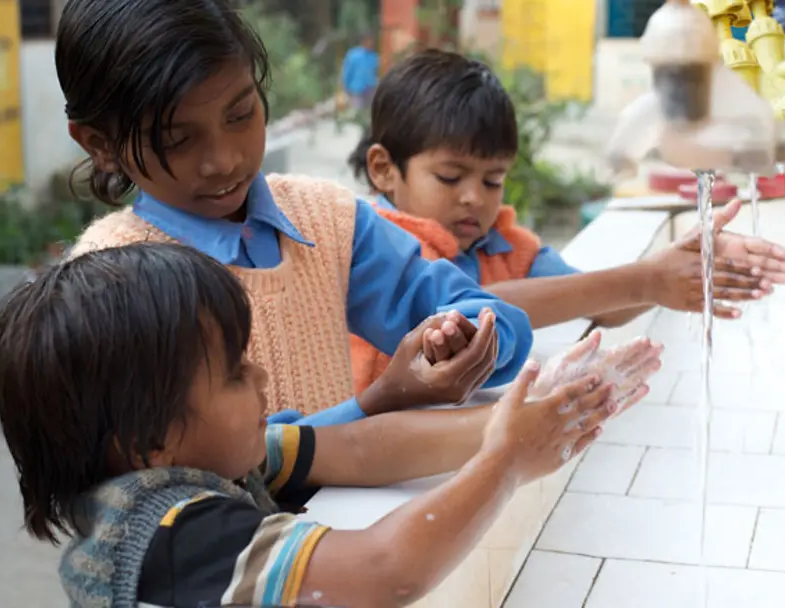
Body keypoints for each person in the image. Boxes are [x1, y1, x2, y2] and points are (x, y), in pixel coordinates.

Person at [0, 242, 661, 607]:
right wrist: (506, 463)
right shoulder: (167, 535)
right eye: (233, 374)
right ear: (145, 439)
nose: (262, 380)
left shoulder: (201, 456)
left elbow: (359, 447)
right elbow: (384, 572)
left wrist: (524, 417)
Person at [57, 0, 534, 425]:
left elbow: (483, 313)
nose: (223, 159)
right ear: (99, 145)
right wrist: (380, 401)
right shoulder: (109, 283)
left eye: (241, 114)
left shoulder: (325, 221)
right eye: (177, 139)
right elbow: (192, 484)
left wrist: (467, 340)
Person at [346, 49, 785, 394]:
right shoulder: (374, 247)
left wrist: (679, 262)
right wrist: (647, 279)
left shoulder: (505, 246)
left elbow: (604, 302)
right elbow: (472, 309)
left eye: (493, 181)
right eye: (450, 176)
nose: (473, 198)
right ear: (385, 168)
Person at [341, 32, 380, 110]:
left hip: (370, 90)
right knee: (357, 113)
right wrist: (346, 88)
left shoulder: (374, 57)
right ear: (363, 41)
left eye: (372, 41)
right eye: (369, 41)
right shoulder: (353, 55)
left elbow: (376, 73)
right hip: (356, 90)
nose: (371, 43)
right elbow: (347, 72)